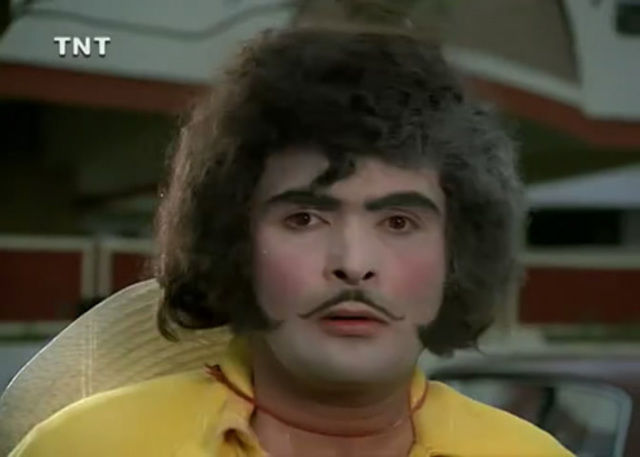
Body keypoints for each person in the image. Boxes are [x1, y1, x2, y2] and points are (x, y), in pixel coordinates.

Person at [9, 25, 573, 457]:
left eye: (399, 222)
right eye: (304, 218)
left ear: (458, 254)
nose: (354, 264)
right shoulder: (87, 447)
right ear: (232, 244)